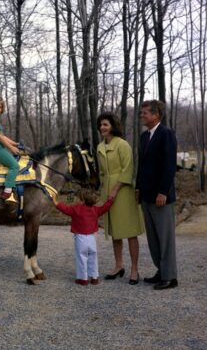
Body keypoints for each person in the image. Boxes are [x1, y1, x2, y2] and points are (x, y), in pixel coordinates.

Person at [97, 112, 145, 285]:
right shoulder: (100, 147)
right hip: (107, 191)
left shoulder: (122, 145)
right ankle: (119, 265)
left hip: (123, 191)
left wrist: (115, 189)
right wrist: (103, 191)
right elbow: (102, 173)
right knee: (115, 232)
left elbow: (128, 170)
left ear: (113, 126)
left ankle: (134, 269)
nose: (103, 127)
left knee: (129, 231)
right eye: (101, 124)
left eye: (106, 124)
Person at [135, 100, 178, 290]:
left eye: (145, 112)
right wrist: (138, 188)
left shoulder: (166, 134)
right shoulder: (145, 137)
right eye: (141, 112)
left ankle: (170, 277)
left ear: (156, 115)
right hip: (146, 195)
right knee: (153, 237)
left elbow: (169, 166)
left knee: (165, 237)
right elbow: (142, 166)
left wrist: (163, 192)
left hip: (161, 196)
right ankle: (161, 271)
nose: (141, 115)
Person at [53, 188, 117, 286]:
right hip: (92, 238)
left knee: (81, 258)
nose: (76, 200)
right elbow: (105, 208)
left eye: (77, 198)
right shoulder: (95, 210)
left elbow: (65, 209)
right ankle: (94, 277)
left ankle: (83, 278)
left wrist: (55, 202)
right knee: (93, 257)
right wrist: (110, 200)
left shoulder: (75, 209)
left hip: (80, 237)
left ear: (82, 200)